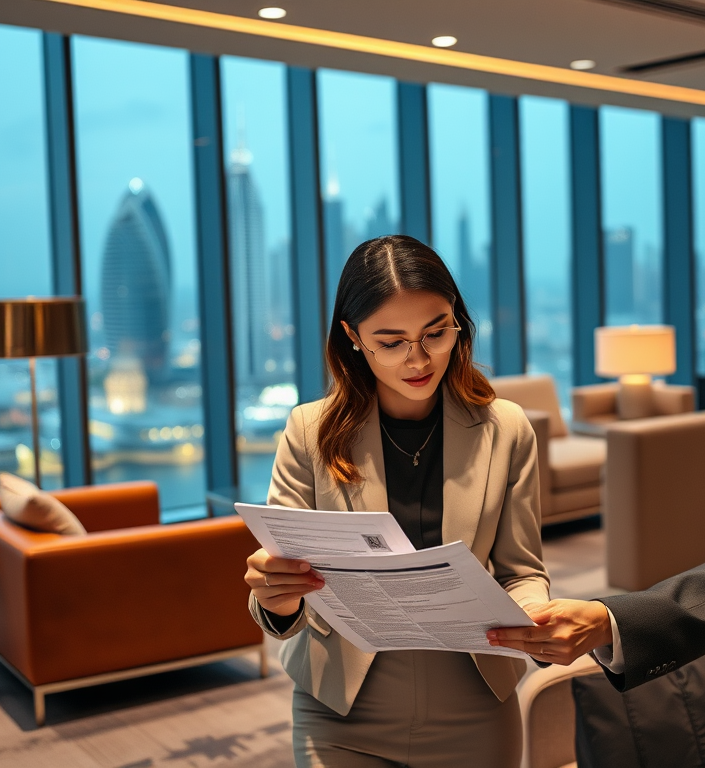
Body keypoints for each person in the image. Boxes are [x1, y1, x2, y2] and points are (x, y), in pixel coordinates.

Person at [243, 234, 615, 767]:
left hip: (474, 703)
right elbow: (280, 590)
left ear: (457, 321)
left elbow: (521, 569)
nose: (418, 359)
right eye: (391, 342)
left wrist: (532, 616)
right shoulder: (309, 430)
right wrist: (277, 597)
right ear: (353, 337)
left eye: (435, 333)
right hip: (341, 708)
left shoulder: (506, 429)